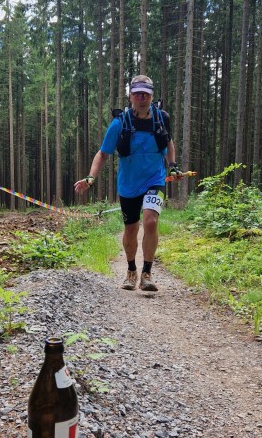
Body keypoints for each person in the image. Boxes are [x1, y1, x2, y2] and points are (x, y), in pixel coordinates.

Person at [74, 75, 182, 292]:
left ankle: (147, 273)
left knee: (150, 221)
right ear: (130, 96)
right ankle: (131, 270)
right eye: (137, 94)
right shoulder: (120, 123)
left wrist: (173, 166)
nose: (141, 98)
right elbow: (103, 154)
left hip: (155, 179)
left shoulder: (161, 118)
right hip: (129, 184)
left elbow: (169, 144)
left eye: (146, 94)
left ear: (151, 96)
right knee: (131, 228)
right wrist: (90, 177)